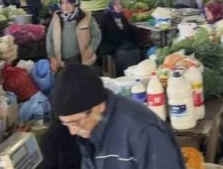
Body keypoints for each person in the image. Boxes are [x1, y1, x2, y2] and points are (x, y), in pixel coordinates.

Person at [51, 64, 185, 169]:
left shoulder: (143, 131)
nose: (72, 131)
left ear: (98, 107)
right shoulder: (90, 128)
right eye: (66, 123)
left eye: (75, 122)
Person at [46, 0, 101, 73]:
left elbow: (97, 35)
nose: (65, 6)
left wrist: (90, 51)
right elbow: (49, 38)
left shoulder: (86, 17)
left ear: (75, 3)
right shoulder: (56, 18)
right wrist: (52, 57)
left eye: (68, 2)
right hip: (62, 63)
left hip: (81, 61)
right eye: (63, 3)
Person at [97, 0, 139, 77]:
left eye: (120, 4)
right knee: (123, 55)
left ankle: (134, 74)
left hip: (123, 43)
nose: (119, 6)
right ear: (111, 7)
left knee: (136, 52)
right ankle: (123, 75)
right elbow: (104, 35)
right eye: (116, 5)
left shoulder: (122, 17)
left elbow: (129, 31)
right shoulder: (106, 17)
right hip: (112, 45)